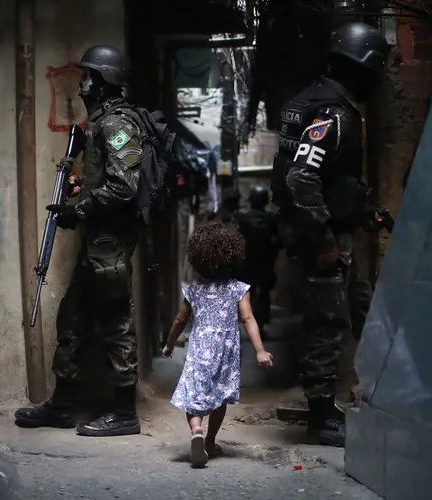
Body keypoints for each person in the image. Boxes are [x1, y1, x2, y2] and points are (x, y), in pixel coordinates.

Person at [14, 45, 146, 437]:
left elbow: (125, 186)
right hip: (97, 243)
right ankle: (63, 404)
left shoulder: (117, 125)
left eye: (88, 76)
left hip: (111, 242)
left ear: (103, 81)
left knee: (116, 323)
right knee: (71, 318)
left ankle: (125, 414)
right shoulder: (100, 122)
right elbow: (106, 178)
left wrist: (81, 210)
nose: (82, 84)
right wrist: (79, 184)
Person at [271, 22, 389, 447]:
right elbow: (304, 178)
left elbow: (329, 179)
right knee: (327, 322)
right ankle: (321, 418)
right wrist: (323, 239)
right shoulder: (335, 113)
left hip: (329, 229)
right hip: (320, 237)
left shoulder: (313, 101)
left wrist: (362, 211)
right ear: (361, 67)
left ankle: (381, 398)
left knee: (360, 308)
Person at [162, 220, 274, 468]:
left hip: (200, 347)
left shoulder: (194, 290)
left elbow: (180, 320)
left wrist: (169, 345)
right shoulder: (238, 289)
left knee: (195, 394)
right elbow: (247, 319)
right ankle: (210, 440)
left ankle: (196, 431)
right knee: (220, 396)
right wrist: (259, 350)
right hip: (226, 350)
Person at [236, 185, 280, 337]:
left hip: (248, 263)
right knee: (264, 294)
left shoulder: (242, 219)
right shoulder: (271, 219)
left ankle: (250, 322)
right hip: (265, 262)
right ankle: (260, 324)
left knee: (249, 294)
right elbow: (278, 241)